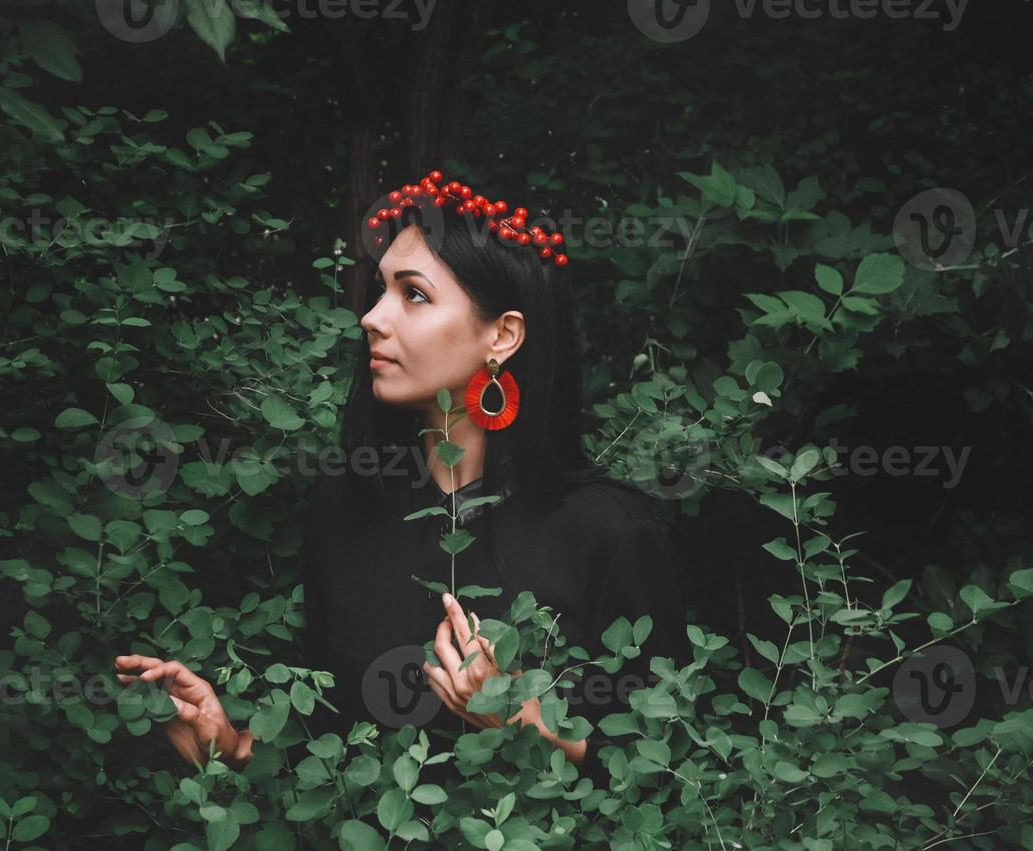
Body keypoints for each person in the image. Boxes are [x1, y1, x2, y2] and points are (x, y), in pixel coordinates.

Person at [116, 170, 687, 792]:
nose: (370, 318)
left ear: (502, 335)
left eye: (412, 294)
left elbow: (678, 780)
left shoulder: (606, 534)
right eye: (380, 290)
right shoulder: (345, 506)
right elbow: (335, 749)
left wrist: (524, 727)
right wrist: (229, 749)